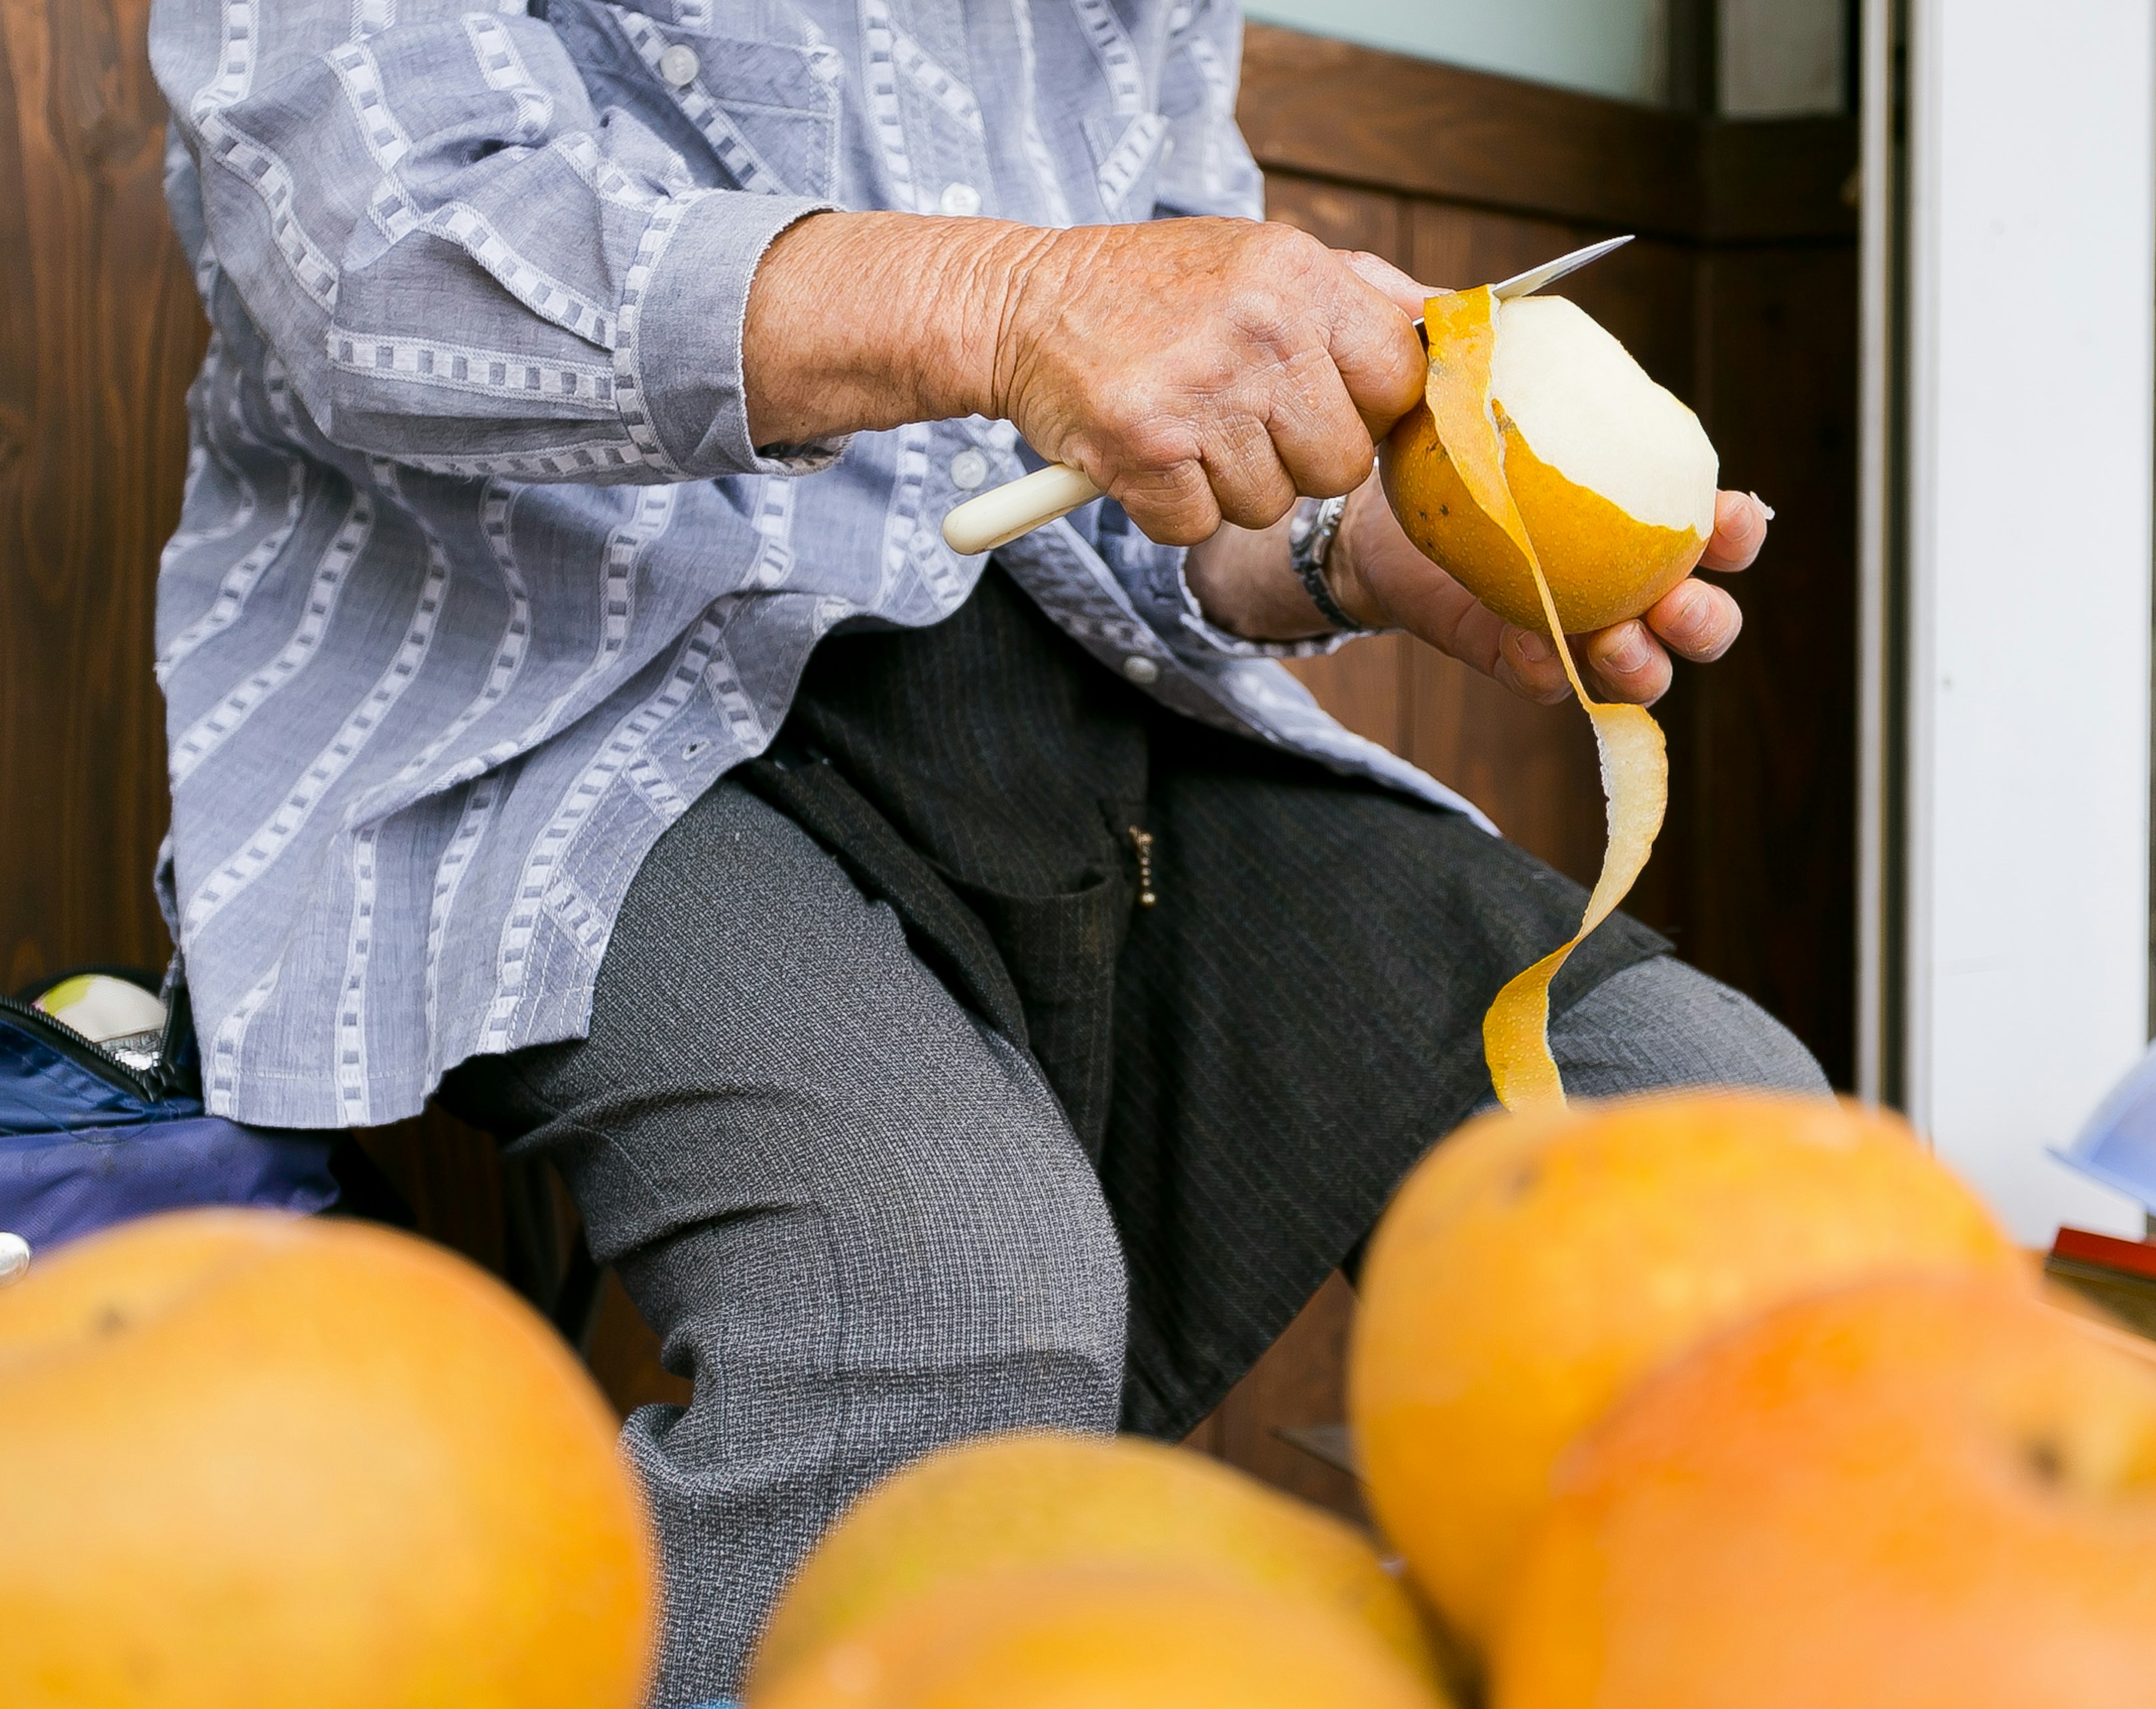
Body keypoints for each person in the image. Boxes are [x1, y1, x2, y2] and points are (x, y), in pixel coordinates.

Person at [146, 0, 1826, 1698]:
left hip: (1064, 673)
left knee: (1720, 1145)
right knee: (940, 1315)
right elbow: (378, 257)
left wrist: (1350, 544)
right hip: (570, 681)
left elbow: (1140, 482)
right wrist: (1010, 298)